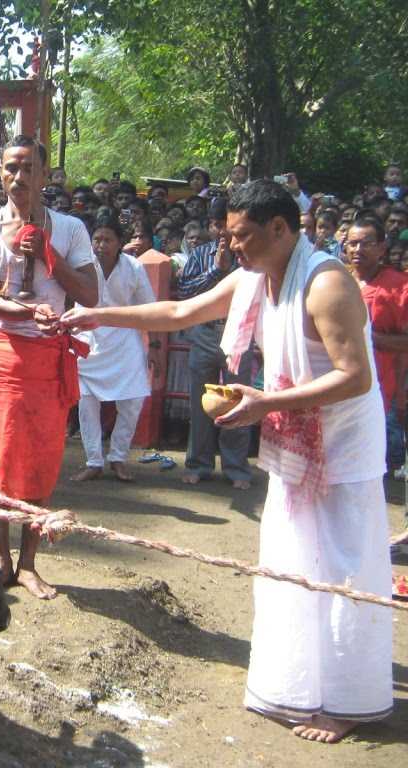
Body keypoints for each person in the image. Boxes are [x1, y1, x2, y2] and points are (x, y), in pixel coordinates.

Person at [62, 179, 392, 744]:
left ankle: (349, 700)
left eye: (242, 237)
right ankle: (297, 684)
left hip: (341, 448)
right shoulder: (255, 277)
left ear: (280, 229)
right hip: (295, 442)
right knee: (294, 555)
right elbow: (180, 310)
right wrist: (100, 317)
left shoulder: (327, 282)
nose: (232, 247)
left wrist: (267, 402)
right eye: (228, 236)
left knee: (343, 565)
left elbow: (356, 376)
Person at [0, 135, 98, 600]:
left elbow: (90, 295)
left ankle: (28, 563)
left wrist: (48, 256)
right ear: (0, 173)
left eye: (27, 169)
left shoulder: (70, 230)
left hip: (47, 358)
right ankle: (0, 558)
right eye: (10, 167)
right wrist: (29, 312)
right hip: (0, 353)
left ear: (45, 176)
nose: (17, 177)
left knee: (42, 459)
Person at [176, 197, 253, 489]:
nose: (222, 231)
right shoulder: (199, 254)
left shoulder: (248, 254)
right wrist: (216, 271)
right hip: (206, 333)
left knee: (238, 400)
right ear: (210, 226)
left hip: (240, 334)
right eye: (217, 224)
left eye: (227, 225)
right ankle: (199, 464)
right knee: (200, 403)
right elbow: (184, 292)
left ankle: (237, 468)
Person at [73, 216, 155, 482]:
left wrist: (153, 346)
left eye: (108, 239)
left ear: (120, 243)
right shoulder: (82, 266)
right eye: (97, 239)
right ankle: (93, 461)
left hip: (125, 341)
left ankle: (118, 458)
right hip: (87, 340)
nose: (101, 245)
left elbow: (148, 309)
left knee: (132, 403)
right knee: (86, 404)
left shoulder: (133, 267)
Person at [345, 216, 408, 470]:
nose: (358, 249)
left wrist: (368, 337)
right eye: (352, 243)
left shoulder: (399, 286)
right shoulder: (336, 279)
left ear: (382, 248)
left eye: (366, 243)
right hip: (338, 389)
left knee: (371, 463)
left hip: (383, 390)